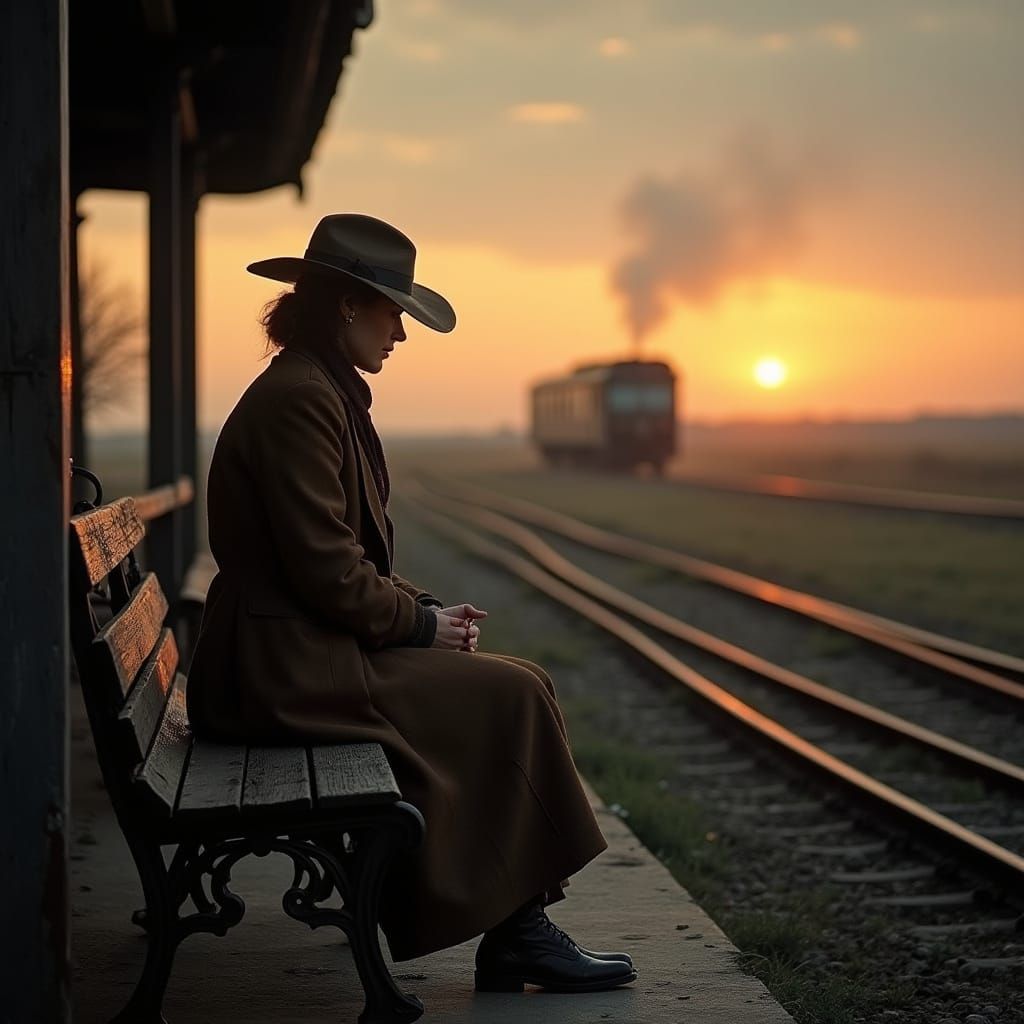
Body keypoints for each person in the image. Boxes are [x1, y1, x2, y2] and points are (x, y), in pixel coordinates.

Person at [185, 213, 637, 993]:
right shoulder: (304, 400)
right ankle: (519, 934)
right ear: (348, 307)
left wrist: (422, 610)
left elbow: (336, 560)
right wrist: (420, 625)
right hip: (282, 670)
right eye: (394, 311)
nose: (401, 332)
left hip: (295, 651)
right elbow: (326, 571)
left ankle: (518, 927)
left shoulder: (316, 389)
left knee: (516, 684)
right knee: (515, 692)